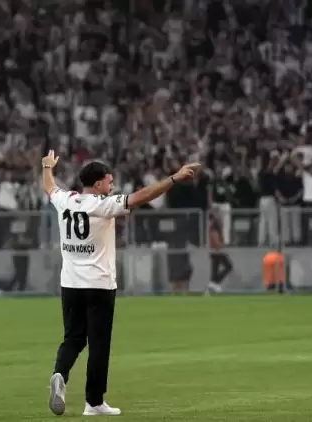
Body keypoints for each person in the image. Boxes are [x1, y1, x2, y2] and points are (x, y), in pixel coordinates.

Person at [42, 150, 200, 416]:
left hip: (70, 284)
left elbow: (49, 187)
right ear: (98, 183)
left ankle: (60, 374)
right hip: (99, 284)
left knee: (73, 338)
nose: (112, 184)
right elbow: (142, 197)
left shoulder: (65, 200)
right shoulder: (103, 205)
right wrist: (174, 178)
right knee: (99, 344)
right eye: (109, 180)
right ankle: (94, 403)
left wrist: (47, 166)